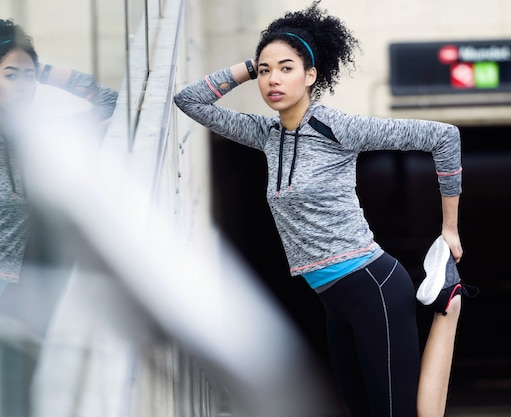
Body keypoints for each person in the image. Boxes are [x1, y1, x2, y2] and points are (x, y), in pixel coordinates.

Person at [174, 2, 476, 416]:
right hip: (332, 299)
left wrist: (450, 228)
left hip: (372, 287)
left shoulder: (337, 128)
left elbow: (444, 137)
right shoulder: (267, 135)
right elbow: (189, 101)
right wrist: (252, 62)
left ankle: (450, 296)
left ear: (311, 74)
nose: (272, 79)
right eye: (265, 71)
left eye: (286, 67)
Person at [0, 18, 118, 298]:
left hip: (20, 298)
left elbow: (112, 104)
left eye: (29, 77)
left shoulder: (33, 136)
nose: (23, 86)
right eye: (11, 75)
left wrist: (42, 71)